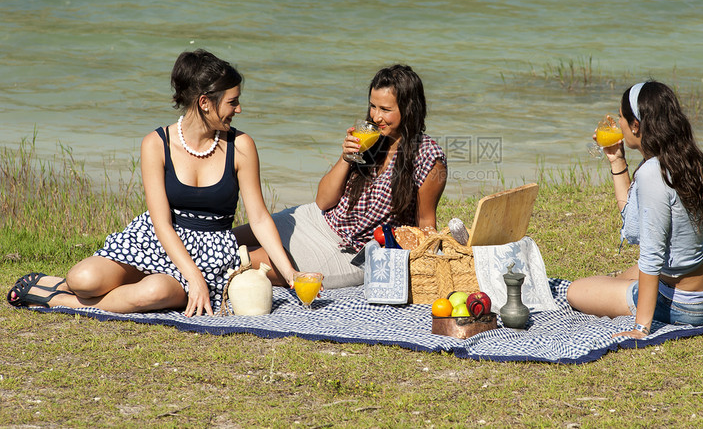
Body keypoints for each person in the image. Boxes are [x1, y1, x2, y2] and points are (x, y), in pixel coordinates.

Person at [6, 50, 297, 317]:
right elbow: (161, 224)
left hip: (212, 252)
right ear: (205, 103)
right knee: (82, 280)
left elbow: (258, 217)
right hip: (156, 242)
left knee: (153, 292)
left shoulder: (241, 146)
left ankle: (56, 300)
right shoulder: (156, 144)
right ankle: (60, 285)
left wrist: (290, 274)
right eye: (232, 102)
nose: (239, 109)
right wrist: (193, 278)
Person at [234, 64, 447, 289]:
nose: (376, 116)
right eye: (372, 106)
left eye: (385, 109)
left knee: (241, 259)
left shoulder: (428, 158)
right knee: (226, 241)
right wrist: (346, 158)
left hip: (351, 253)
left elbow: (425, 225)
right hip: (317, 220)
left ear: (409, 109)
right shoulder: (369, 137)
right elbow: (323, 202)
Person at [566, 81, 703, 338]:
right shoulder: (685, 155)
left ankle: (657, 311)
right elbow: (635, 225)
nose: (617, 123)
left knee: (575, 291)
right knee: (619, 278)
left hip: (689, 304)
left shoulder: (653, 173)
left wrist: (641, 328)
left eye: (620, 117)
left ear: (636, 125)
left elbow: (651, 255)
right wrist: (617, 159)